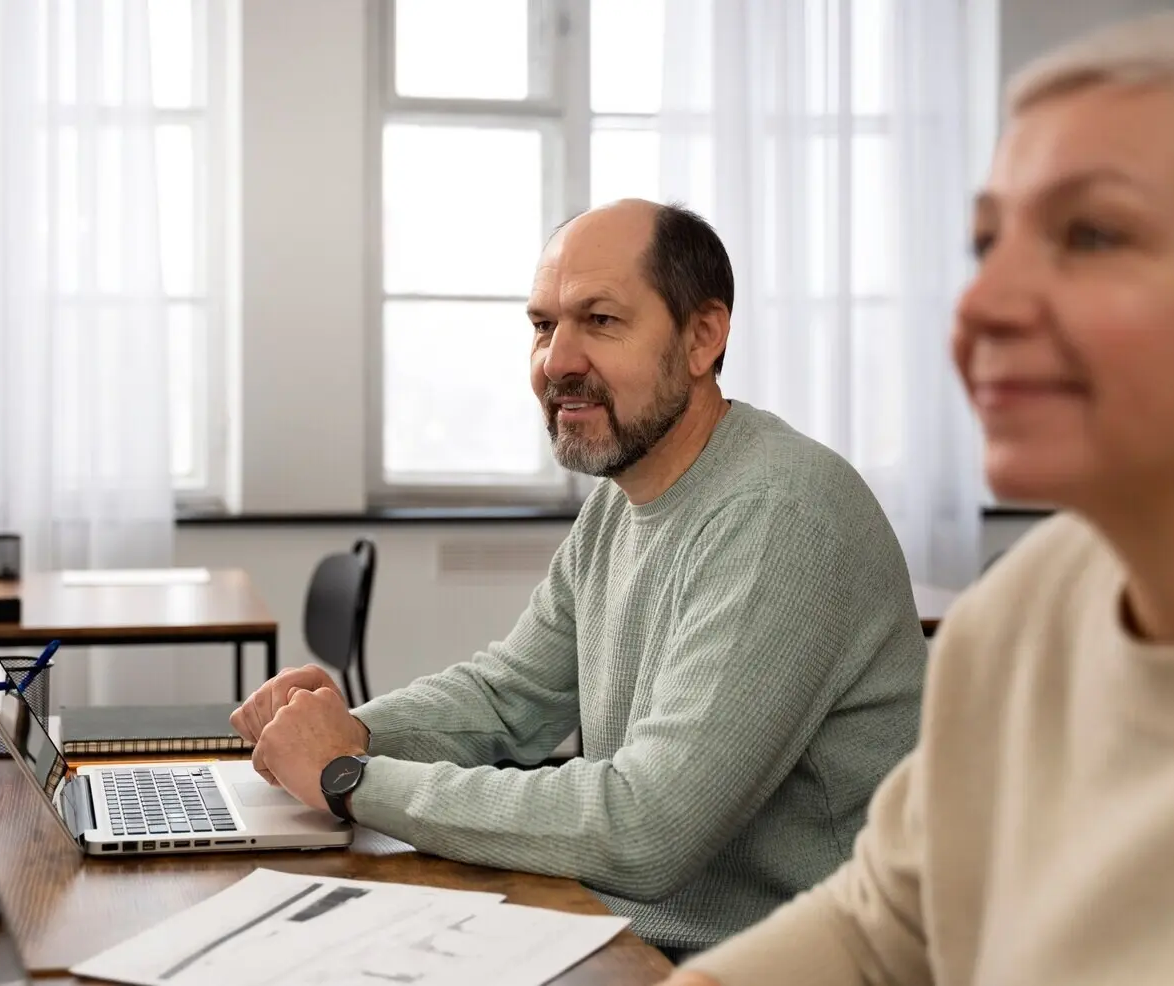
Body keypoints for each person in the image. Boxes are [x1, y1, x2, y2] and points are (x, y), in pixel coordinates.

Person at [665, 11, 1174, 985]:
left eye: (1091, 233)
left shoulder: (783, 507)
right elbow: (885, 916)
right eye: (985, 245)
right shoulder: (1019, 611)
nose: (980, 305)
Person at [231, 198, 927, 954]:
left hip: (768, 966)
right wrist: (350, 731)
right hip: (630, 936)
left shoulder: (780, 512)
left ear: (703, 338)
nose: (556, 361)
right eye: (542, 326)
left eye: (600, 320)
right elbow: (509, 697)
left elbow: (646, 826)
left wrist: (349, 777)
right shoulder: (620, 502)